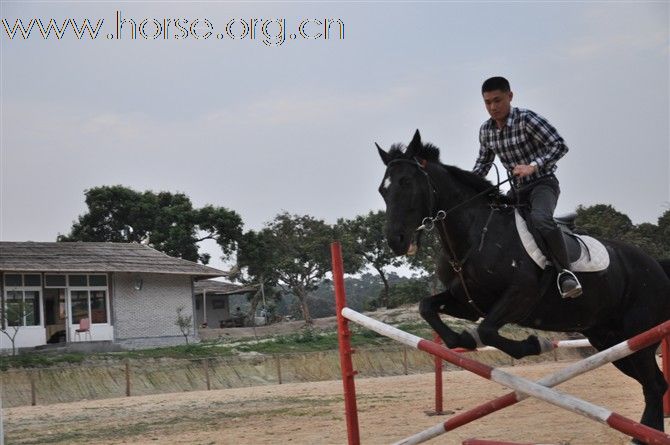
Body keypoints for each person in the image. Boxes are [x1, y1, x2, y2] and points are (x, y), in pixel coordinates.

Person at [472, 76, 582, 298]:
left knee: (540, 220)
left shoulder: (527, 119)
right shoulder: (486, 131)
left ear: (510, 96)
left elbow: (560, 146)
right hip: (517, 191)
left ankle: (566, 274)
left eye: (497, 100)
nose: (492, 107)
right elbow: (483, 164)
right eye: (487, 102)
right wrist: (467, 186)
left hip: (543, 184)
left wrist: (533, 166)